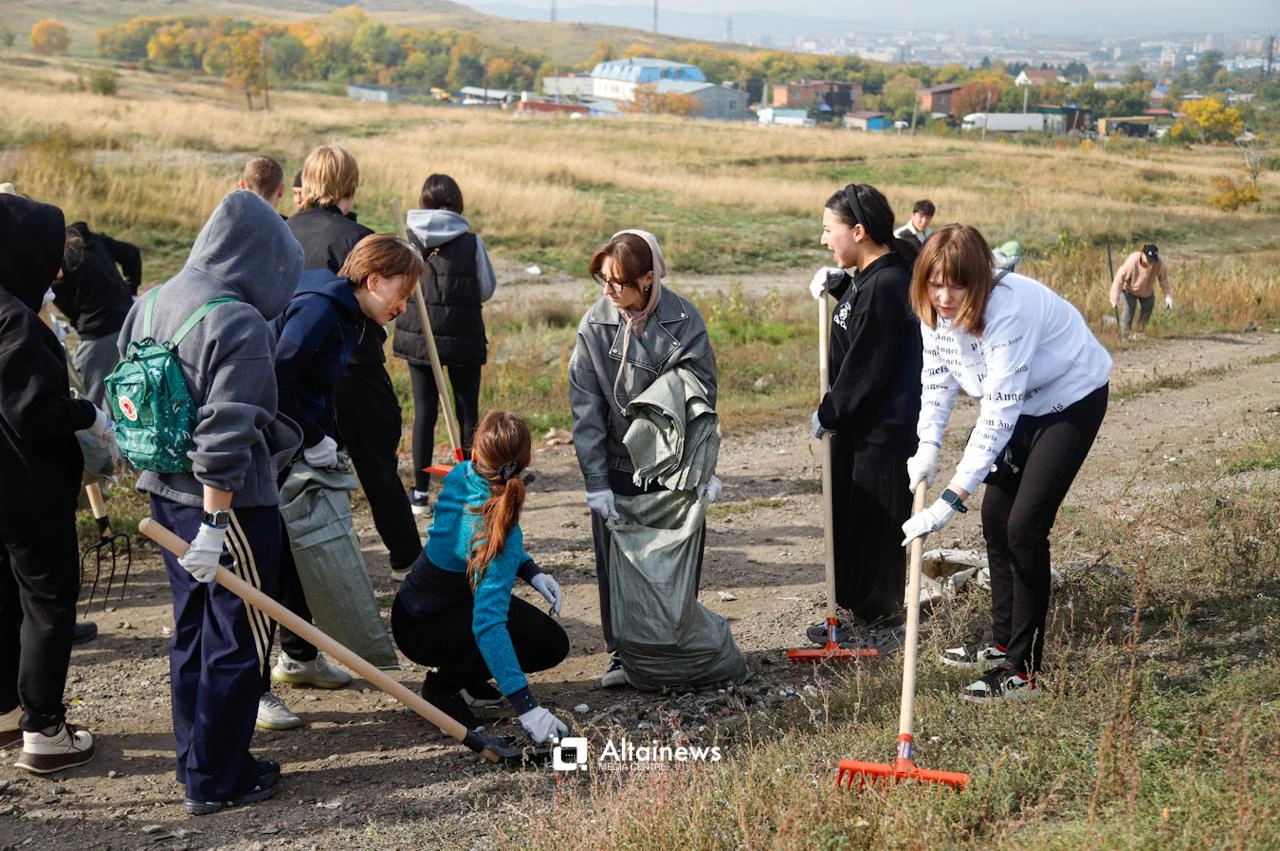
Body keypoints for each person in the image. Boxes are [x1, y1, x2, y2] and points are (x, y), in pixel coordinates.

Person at [117, 190, 303, 812]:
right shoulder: (237, 319)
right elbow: (227, 430)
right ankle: (219, 778)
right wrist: (216, 523)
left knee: (192, 630)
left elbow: (122, 394)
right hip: (231, 510)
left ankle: (193, 757)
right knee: (238, 638)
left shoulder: (150, 304)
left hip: (163, 498)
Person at [901, 223, 1111, 703]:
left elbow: (997, 415)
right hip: (1021, 406)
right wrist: (927, 447)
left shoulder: (1008, 311)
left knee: (1024, 527)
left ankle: (1025, 669)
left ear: (980, 279)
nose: (946, 296)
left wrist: (950, 500)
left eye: (957, 284)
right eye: (935, 283)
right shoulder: (934, 313)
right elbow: (937, 381)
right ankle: (1001, 646)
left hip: (1070, 399)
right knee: (996, 517)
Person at [260, 234, 426, 731]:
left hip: (297, 446)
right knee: (266, 564)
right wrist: (310, 437)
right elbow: (275, 378)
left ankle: (299, 658)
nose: (403, 305)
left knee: (295, 558)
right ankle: (253, 690)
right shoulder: (319, 312)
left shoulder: (347, 311)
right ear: (372, 281)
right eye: (401, 293)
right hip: (269, 455)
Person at [568, 229, 720, 687]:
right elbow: (586, 409)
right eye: (602, 281)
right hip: (617, 467)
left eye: (618, 282)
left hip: (671, 469)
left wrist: (702, 468)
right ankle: (623, 653)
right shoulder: (594, 326)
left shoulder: (684, 321)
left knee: (674, 560)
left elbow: (700, 397)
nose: (608, 292)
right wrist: (596, 481)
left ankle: (676, 645)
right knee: (616, 563)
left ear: (648, 279)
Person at [0, 193, 111, 775]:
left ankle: (4, 706)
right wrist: (85, 413)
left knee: (4, 593)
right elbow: (34, 412)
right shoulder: (15, 320)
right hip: (26, 485)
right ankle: (44, 729)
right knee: (48, 600)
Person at [287, 144, 421, 584]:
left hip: (303, 379)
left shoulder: (284, 232)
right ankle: (406, 558)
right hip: (355, 371)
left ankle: (325, 563)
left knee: (312, 472)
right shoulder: (359, 239)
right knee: (379, 468)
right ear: (350, 187)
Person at [392, 410, 569, 742]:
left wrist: (531, 571)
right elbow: (488, 624)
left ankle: (467, 679)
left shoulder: (461, 474)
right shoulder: (497, 538)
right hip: (426, 629)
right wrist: (527, 706)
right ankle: (442, 689)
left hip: (413, 611)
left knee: (534, 631)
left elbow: (472, 543)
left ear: (476, 454)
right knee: (548, 644)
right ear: (526, 460)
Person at [805, 183, 923, 650]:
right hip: (858, 431)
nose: (823, 240)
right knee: (852, 523)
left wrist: (832, 409)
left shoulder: (889, 283)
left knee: (876, 527)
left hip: (882, 433)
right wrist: (841, 288)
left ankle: (883, 620)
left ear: (858, 230)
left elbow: (868, 363)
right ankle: (854, 612)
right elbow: (858, 319)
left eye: (828, 230)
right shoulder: (870, 278)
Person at [397, 173, 498, 516]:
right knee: (467, 411)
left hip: (419, 335)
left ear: (424, 201)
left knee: (424, 413)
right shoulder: (471, 241)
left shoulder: (407, 238)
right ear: (457, 203)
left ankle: (421, 495)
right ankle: (471, 489)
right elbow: (486, 288)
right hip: (464, 333)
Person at [50, 222, 142, 409]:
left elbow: (61, 301)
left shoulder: (54, 257)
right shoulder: (94, 240)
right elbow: (132, 253)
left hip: (98, 334)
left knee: (84, 401)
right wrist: (130, 292)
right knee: (126, 395)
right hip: (130, 323)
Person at [1109, 242, 1173, 340]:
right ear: (1143, 254)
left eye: (1152, 260)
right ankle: (1124, 335)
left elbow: (1164, 280)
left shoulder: (1159, 263)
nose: (1150, 262)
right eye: (1148, 259)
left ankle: (1139, 333)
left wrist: (1168, 296)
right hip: (1128, 290)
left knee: (1148, 306)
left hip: (1146, 291)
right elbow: (1119, 278)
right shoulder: (1133, 260)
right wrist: (1114, 297)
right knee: (1130, 307)